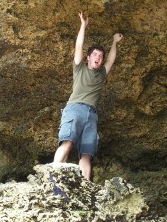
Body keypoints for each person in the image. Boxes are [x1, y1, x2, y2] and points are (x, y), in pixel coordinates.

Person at [53, 12, 123, 180]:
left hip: (91, 114)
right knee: (67, 142)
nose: (98, 58)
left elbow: (111, 60)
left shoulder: (101, 74)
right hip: (75, 108)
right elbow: (79, 46)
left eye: (100, 56)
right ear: (88, 58)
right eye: (95, 55)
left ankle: (85, 187)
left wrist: (114, 41)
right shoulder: (79, 68)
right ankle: (52, 177)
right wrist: (83, 26)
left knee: (86, 153)